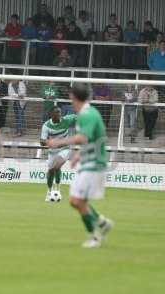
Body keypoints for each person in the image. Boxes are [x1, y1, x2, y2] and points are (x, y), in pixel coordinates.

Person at [47, 83, 113, 248]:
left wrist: (58, 142)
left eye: (70, 97)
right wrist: (78, 154)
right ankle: (102, 223)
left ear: (74, 97)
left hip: (95, 162)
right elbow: (90, 138)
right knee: (75, 200)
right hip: (89, 160)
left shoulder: (87, 114)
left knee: (77, 200)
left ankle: (95, 237)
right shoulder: (87, 113)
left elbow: (82, 138)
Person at [40, 107, 76, 202]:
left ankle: (58, 190)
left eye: (60, 112)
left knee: (56, 167)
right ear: (51, 115)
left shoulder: (66, 120)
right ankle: (49, 191)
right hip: (52, 151)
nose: (59, 114)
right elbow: (42, 141)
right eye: (57, 113)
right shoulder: (46, 126)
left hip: (65, 148)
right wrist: (50, 142)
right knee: (51, 170)